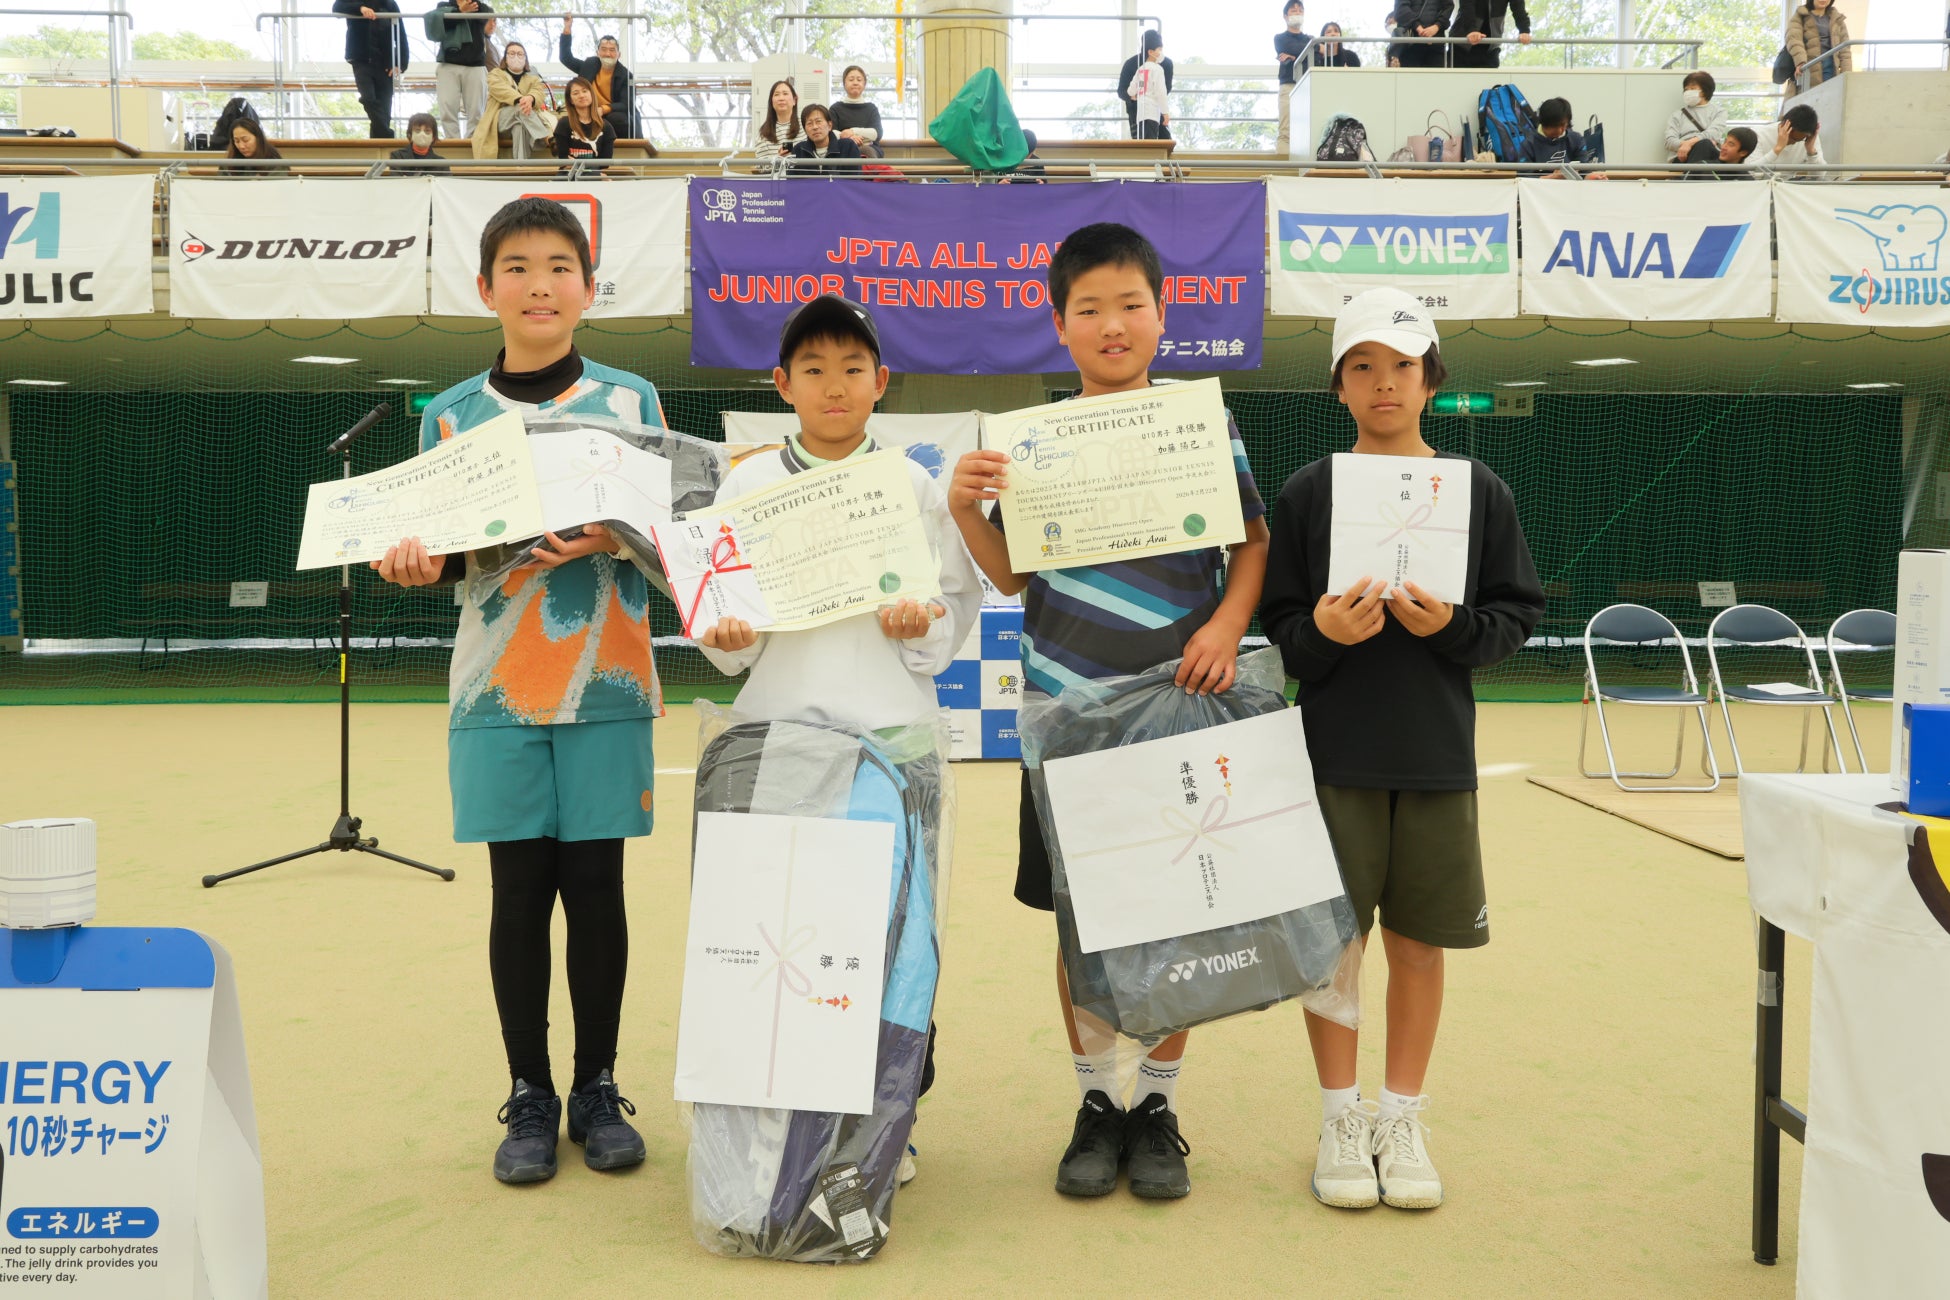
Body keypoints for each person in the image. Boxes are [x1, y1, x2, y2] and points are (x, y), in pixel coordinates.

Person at [946, 223, 1271, 1203]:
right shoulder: (1033, 445)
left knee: (1179, 914)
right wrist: (964, 511)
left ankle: (1156, 1106)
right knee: (1078, 925)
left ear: (1162, 316)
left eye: (1131, 304)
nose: (1112, 323)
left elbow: (1252, 542)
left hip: (1180, 708)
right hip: (1068, 719)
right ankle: (1097, 1100)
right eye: (1089, 308)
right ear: (1060, 325)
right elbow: (1012, 576)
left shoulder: (1203, 425)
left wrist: (1226, 624)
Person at [375, 197, 668, 1187]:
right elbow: (443, 549)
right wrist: (415, 563)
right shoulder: (449, 415)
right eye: (517, 267)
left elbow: (673, 539)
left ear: (588, 287)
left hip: (608, 679)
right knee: (518, 895)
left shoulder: (632, 401)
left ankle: (597, 1087)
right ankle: (530, 1093)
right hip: (494, 693)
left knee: (597, 892)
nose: (539, 285)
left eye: (557, 267)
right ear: (485, 287)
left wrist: (612, 533)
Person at [1259, 286, 1543, 1213]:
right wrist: (1324, 635)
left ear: (1431, 382)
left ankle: (1402, 1117)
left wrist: (1451, 626)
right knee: (1333, 949)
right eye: (1363, 367)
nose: (1384, 383)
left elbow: (1514, 617)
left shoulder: (1478, 490)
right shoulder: (1309, 491)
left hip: (1434, 757)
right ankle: (1340, 1119)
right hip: (1332, 756)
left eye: (1403, 367)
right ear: (1339, 386)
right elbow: (1280, 630)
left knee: (1419, 946)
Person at [696, 296, 979, 1184]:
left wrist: (919, 622)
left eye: (853, 368)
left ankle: (886, 1122)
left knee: (895, 943)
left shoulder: (911, 486)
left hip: (893, 744)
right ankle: (781, 1118)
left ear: (880, 382)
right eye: (813, 369)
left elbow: (951, 603)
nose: (834, 385)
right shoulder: (745, 487)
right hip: (777, 741)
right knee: (787, 939)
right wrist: (730, 636)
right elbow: (722, 633)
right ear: (782, 384)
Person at [331, 0, 408, 139]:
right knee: (368, 99)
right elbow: (337, 7)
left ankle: (379, 145)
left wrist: (400, 63)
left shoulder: (389, 4)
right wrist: (360, 8)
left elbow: (400, 32)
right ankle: (388, 135)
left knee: (384, 110)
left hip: (386, 63)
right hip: (361, 60)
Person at [475, 42, 557, 160]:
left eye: (520, 54)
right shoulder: (495, 74)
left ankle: (521, 166)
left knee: (519, 126)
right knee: (520, 107)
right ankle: (547, 138)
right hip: (499, 121)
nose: (516, 57)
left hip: (523, 120)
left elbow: (539, 92)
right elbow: (500, 89)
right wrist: (522, 99)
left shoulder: (533, 78)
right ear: (505, 58)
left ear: (525, 58)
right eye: (512, 53)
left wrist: (531, 98)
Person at [558, 19, 636, 139]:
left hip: (610, 113)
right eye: (603, 50)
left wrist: (603, 109)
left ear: (619, 54)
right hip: (586, 110)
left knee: (617, 119)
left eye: (612, 50)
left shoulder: (625, 75)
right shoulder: (590, 65)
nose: (607, 54)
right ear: (597, 53)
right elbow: (566, 58)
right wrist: (567, 29)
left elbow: (626, 104)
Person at [431, 0, 496, 142]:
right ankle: (452, 142)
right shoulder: (444, 6)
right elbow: (440, 26)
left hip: (475, 65)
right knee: (447, 107)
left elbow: (484, 18)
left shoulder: (480, 7)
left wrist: (466, 9)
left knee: (476, 111)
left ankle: (473, 142)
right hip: (448, 63)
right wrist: (460, 11)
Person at [1117, 31, 1173, 140]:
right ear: (1151, 51)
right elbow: (1122, 91)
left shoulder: (1165, 64)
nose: (1160, 52)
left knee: (1162, 140)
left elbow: (1164, 89)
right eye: (1159, 49)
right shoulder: (1132, 64)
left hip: (1155, 111)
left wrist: (1142, 92)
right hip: (1138, 112)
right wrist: (1136, 96)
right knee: (1145, 144)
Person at [1663, 70, 1727, 163]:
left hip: (1709, 155)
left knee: (1705, 144)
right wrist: (1684, 145)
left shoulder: (1719, 112)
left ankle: (1690, 173)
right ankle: (1691, 172)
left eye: (1692, 88)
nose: (1688, 92)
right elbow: (1669, 141)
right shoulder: (1677, 115)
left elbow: (1714, 134)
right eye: (1686, 89)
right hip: (1681, 157)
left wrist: (1689, 143)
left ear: (1704, 91)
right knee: (1705, 143)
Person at [1786, 0, 1851, 92]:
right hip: (1809, 67)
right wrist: (1800, 61)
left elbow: (1845, 50)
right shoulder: (1801, 15)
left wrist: (1847, 74)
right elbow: (1794, 39)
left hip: (1831, 69)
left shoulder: (1837, 18)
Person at [1274, 1, 1312, 155]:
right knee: (1286, 128)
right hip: (1288, 84)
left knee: (1307, 126)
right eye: (1293, 10)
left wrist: (1293, 57)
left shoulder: (1311, 39)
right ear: (1285, 16)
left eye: (1300, 10)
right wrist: (1306, 52)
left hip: (1307, 85)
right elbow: (1292, 47)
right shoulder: (1279, 38)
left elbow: (1316, 57)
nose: (1297, 12)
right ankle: (1282, 161)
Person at [1449, 0, 1531, 70]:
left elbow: (1518, 7)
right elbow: (1466, 7)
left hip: (1490, 48)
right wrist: (1471, 30)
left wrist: (1524, 30)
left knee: (1489, 81)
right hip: (1462, 46)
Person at [552, 76, 615, 166]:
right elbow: (564, 159)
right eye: (576, 93)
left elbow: (605, 164)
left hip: (595, 174)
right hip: (570, 173)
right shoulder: (563, 124)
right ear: (570, 100)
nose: (581, 96)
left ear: (591, 94)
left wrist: (580, 165)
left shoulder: (606, 126)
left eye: (584, 91)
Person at [789, 103, 864, 174]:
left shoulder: (848, 147)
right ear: (805, 130)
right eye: (809, 123)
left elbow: (855, 179)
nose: (815, 127)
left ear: (829, 125)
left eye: (818, 121)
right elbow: (792, 180)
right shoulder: (799, 150)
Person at [829, 64, 885, 159]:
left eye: (859, 80)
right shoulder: (835, 108)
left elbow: (877, 133)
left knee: (866, 151)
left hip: (869, 147)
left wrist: (852, 131)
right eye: (851, 80)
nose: (855, 83)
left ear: (864, 84)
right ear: (844, 83)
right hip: (843, 147)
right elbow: (831, 132)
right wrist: (849, 138)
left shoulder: (871, 108)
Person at [1750, 104, 1826, 171]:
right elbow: (1749, 172)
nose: (1793, 142)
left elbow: (1819, 176)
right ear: (1783, 124)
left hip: (1787, 182)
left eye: (1798, 140)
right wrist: (1778, 149)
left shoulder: (1809, 139)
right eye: (1791, 137)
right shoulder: (1757, 134)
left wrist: (1811, 151)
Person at [1519, 96, 1582, 165]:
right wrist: (1553, 173)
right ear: (1543, 123)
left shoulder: (1576, 139)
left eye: (1563, 125)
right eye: (1555, 126)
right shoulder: (1528, 145)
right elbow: (1525, 171)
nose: (1559, 130)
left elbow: (1584, 166)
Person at [1396, 0, 1455, 68]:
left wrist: (1435, 27)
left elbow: (1448, 7)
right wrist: (1434, 27)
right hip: (1413, 42)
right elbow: (1401, 9)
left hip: (1432, 41)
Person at [1682, 126, 1757, 179]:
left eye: (1731, 144)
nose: (1723, 147)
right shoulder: (1702, 167)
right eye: (1725, 142)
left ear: (1743, 153)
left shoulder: (1747, 180)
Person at [754, 79, 803, 159]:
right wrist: (778, 159)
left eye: (785, 94)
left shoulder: (805, 126)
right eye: (776, 94)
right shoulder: (763, 133)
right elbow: (760, 164)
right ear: (771, 102)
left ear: (794, 100)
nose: (781, 98)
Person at [223, 118, 288, 176]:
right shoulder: (228, 164)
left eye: (245, 140)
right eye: (237, 141)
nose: (241, 146)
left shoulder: (275, 164)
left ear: (258, 138)